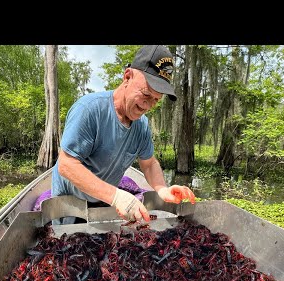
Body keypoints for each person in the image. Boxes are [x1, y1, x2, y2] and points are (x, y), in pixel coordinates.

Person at [51, 45, 196, 224]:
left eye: (156, 100)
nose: (148, 105)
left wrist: (162, 189)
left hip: (104, 201)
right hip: (70, 204)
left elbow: (149, 164)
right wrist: (116, 196)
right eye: (145, 94)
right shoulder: (89, 110)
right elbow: (66, 165)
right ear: (127, 76)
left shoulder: (141, 126)